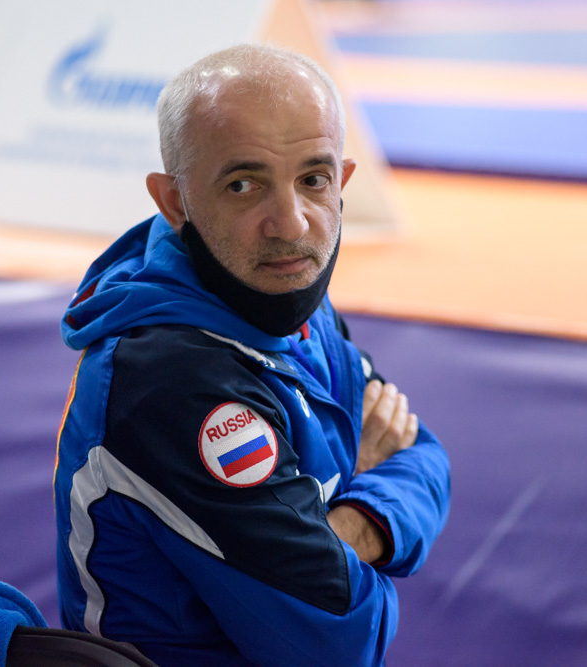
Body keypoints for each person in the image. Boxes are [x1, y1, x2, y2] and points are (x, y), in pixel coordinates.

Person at [53, 43, 450, 666]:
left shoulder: (282, 293)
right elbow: (341, 642)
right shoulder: (170, 381)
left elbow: (425, 455)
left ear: (342, 183)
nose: (291, 224)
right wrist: (359, 500)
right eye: (243, 185)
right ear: (175, 202)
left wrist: (342, 529)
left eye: (312, 180)